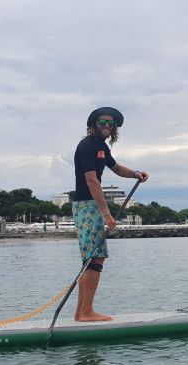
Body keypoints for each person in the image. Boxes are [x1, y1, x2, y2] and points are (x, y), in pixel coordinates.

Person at [72, 106, 148, 322]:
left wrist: (135, 174)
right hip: (86, 206)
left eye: (111, 123)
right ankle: (86, 312)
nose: (107, 126)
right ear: (94, 124)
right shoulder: (87, 145)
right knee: (95, 258)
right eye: (103, 122)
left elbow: (115, 168)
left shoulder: (101, 147)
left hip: (91, 205)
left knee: (93, 259)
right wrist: (106, 213)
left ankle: (82, 312)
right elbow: (91, 180)